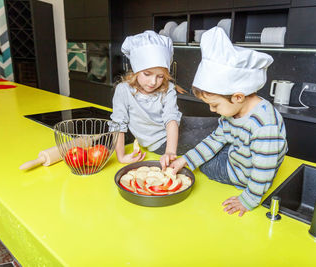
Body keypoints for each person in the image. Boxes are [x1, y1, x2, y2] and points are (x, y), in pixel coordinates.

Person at [170, 27, 288, 217]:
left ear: (238, 97)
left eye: (215, 105)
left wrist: (248, 200)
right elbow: (215, 139)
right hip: (242, 157)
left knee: (206, 163)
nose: (212, 110)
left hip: (243, 175)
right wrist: (185, 160)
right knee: (210, 145)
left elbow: (263, 170)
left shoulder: (266, 127)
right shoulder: (235, 111)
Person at [110, 30, 184, 169]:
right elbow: (118, 124)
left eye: (160, 76)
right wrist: (121, 156)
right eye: (147, 74)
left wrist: (170, 151)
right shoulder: (124, 90)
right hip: (160, 143)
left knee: (218, 125)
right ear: (136, 70)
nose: (153, 82)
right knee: (215, 138)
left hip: (171, 138)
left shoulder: (168, 89)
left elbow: (171, 119)